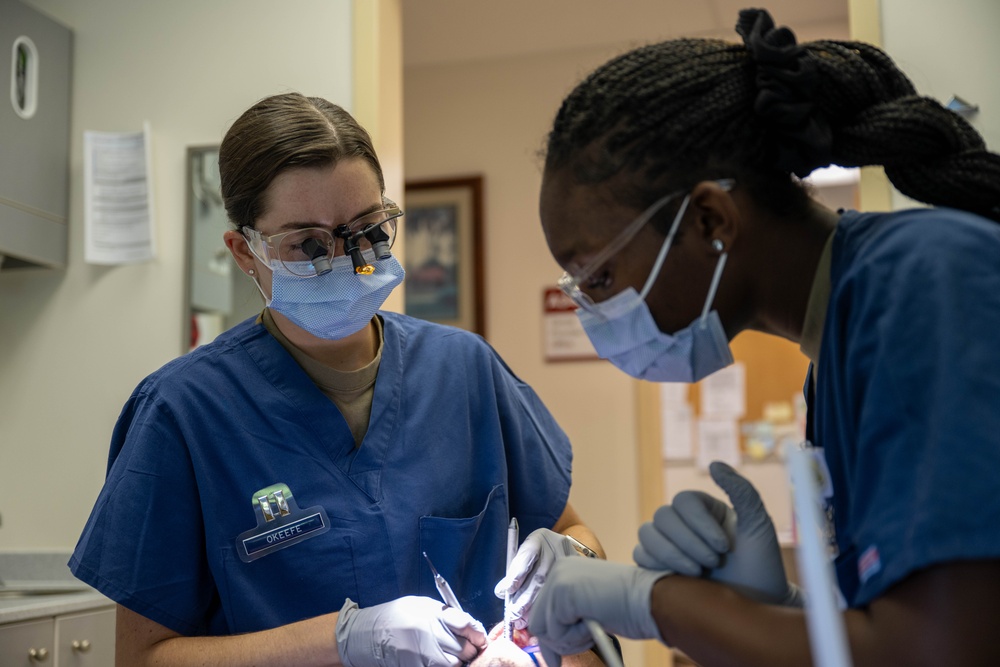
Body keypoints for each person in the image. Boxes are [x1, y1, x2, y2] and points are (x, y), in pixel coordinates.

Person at [528, 7, 1000, 666]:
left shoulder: (924, 283)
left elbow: (935, 650)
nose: (589, 311)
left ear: (710, 220)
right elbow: (873, 631)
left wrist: (653, 602)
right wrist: (773, 604)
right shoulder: (836, 347)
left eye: (597, 276)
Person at [69, 92, 606, 667]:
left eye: (367, 231)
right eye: (308, 244)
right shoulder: (182, 412)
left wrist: (569, 559)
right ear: (245, 253)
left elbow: (575, 532)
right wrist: (343, 640)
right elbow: (145, 657)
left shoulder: (466, 370)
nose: (348, 261)